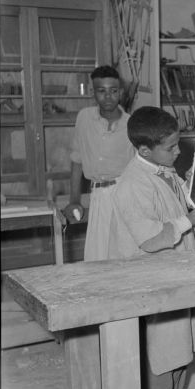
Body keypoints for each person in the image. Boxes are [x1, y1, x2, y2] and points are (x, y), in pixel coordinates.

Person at [109, 106, 195, 389]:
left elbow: (179, 197)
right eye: (171, 148)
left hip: (176, 274)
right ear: (145, 150)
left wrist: (192, 185)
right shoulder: (133, 184)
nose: (177, 152)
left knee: (181, 354)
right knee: (162, 356)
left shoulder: (164, 170)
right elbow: (150, 240)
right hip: (153, 282)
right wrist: (192, 219)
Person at [65, 65, 135, 261]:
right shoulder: (84, 118)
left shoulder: (131, 124)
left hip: (126, 197)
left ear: (120, 92)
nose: (108, 97)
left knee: (125, 254)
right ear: (92, 92)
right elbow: (77, 160)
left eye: (113, 91)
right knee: (98, 255)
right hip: (98, 197)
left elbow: (140, 169)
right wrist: (74, 200)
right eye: (101, 91)